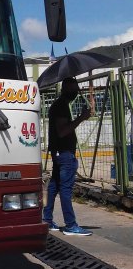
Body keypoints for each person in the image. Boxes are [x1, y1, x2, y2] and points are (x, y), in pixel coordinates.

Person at [43, 77, 93, 236]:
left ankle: (47, 220)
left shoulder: (60, 105)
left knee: (54, 186)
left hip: (59, 152)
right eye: (74, 88)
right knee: (65, 189)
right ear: (65, 89)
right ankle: (71, 225)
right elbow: (63, 131)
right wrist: (81, 118)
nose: (76, 91)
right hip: (64, 153)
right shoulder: (61, 106)